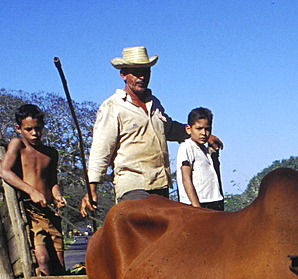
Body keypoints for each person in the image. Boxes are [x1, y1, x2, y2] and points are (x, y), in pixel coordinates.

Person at [79, 46, 221, 215]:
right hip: (132, 185)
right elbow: (101, 149)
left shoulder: (154, 104)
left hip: (160, 184)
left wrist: (204, 135)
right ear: (123, 74)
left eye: (145, 71)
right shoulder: (113, 107)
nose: (142, 77)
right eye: (135, 72)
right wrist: (92, 187)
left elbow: (171, 129)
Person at [0, 104, 68, 277]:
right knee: (42, 258)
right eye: (29, 129)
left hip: (50, 211)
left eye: (38, 128)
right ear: (18, 128)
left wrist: (57, 195)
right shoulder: (17, 145)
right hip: (31, 211)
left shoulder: (51, 153)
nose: (34, 133)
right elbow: (4, 171)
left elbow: (52, 182)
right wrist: (31, 191)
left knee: (59, 259)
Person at [176, 107, 224, 211]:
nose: (203, 133)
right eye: (199, 129)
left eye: (207, 129)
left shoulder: (205, 150)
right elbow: (186, 178)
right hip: (198, 203)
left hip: (213, 200)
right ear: (189, 129)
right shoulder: (187, 147)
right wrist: (196, 207)